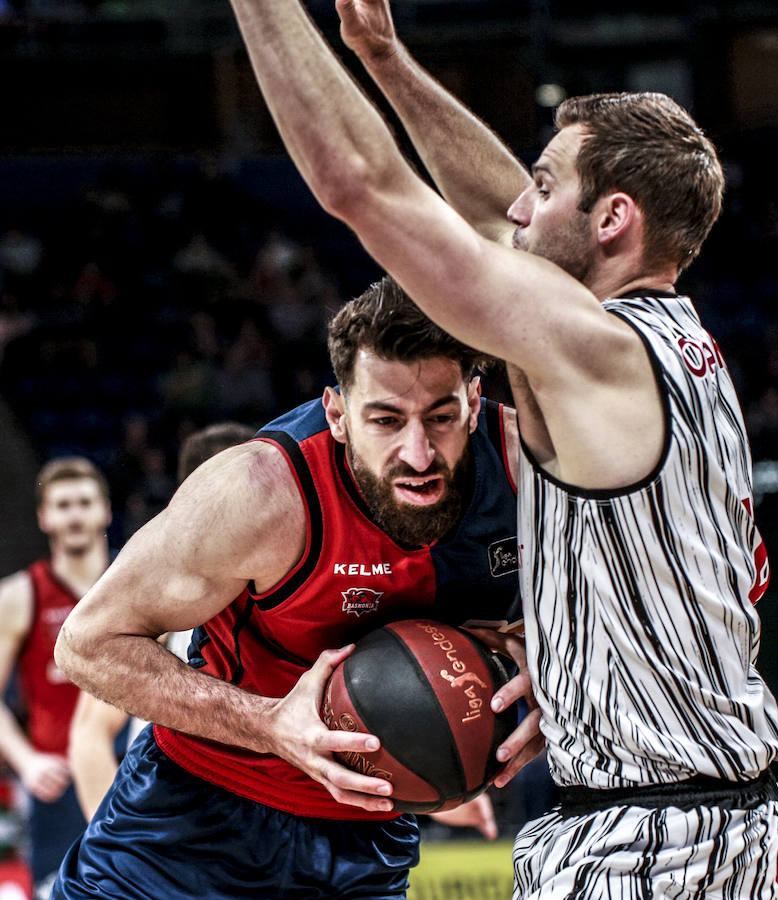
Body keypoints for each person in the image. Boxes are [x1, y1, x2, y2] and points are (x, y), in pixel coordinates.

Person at [223, 0, 778, 894]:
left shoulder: (598, 353)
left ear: (611, 219)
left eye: (544, 181)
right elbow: (504, 224)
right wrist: (384, 57)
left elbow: (359, 187)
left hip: (650, 838)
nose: (519, 204)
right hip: (699, 814)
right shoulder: (661, 338)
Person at [51, 279, 538, 899]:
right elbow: (86, 645)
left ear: (474, 400)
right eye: (385, 419)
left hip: (367, 836)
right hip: (193, 815)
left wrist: (546, 663)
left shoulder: (533, 471)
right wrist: (271, 723)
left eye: (440, 417)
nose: (417, 453)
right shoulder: (260, 492)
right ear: (337, 413)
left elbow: (639, 611)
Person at [67, 421, 255, 822]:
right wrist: (113, 843)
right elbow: (89, 734)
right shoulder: (161, 590)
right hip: (171, 824)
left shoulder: (299, 589)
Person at [0, 458, 111, 899]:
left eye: (85, 502)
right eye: (63, 505)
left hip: (127, 770)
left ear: (105, 510)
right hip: (56, 780)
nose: (76, 514)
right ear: (44, 517)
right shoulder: (18, 594)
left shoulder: (139, 582)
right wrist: (26, 761)